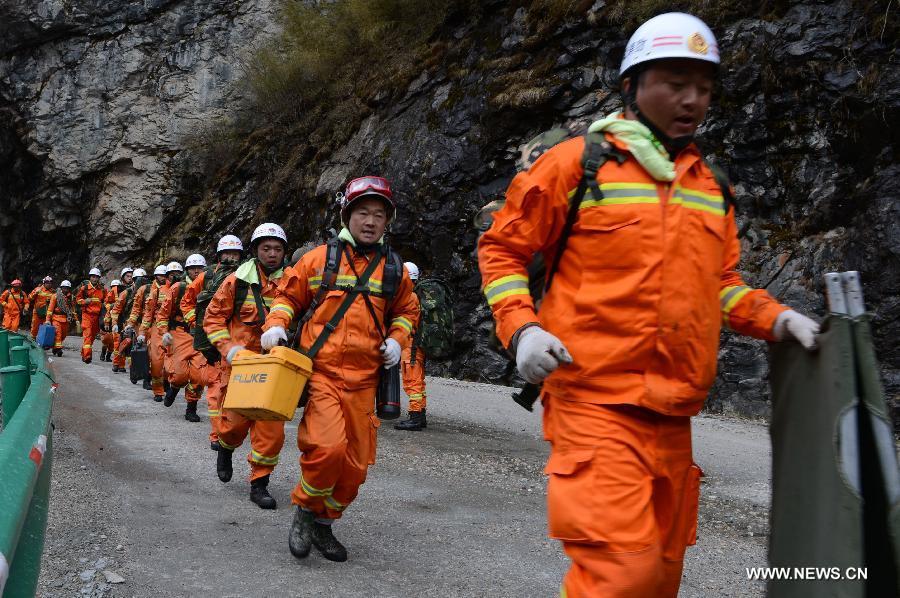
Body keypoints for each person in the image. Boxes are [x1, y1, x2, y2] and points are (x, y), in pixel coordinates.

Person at [477, 13, 821, 597]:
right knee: (622, 575)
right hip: (593, 404)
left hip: (673, 417)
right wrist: (523, 330)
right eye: (675, 82)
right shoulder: (575, 165)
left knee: (659, 579)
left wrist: (776, 318)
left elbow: (722, 284)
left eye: (705, 89)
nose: (693, 100)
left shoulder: (710, 185)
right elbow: (502, 251)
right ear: (633, 84)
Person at [261, 176, 419, 562]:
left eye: (378, 215)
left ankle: (324, 524)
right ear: (347, 215)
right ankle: (303, 510)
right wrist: (276, 324)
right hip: (323, 375)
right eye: (362, 212)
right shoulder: (319, 258)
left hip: (367, 382)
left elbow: (407, 311)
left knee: (355, 468)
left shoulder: (394, 269)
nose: (370, 221)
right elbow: (287, 297)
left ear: (387, 221)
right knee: (328, 449)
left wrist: (398, 340)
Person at [203, 224, 289, 510]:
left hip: (276, 367)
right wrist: (229, 350)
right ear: (255, 251)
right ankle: (226, 449)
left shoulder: (292, 281)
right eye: (266, 248)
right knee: (233, 426)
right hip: (241, 365)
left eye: (277, 249)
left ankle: (259, 483)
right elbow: (213, 319)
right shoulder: (236, 281)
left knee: (271, 431)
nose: (272, 254)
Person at [181, 235, 244, 449]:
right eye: (227, 254)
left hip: (240, 342)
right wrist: (197, 324)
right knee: (215, 389)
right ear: (219, 256)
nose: (231, 258)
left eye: (235, 254)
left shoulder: (247, 275)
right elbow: (187, 301)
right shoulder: (207, 277)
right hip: (212, 343)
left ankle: (232, 431)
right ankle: (217, 436)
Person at [159, 254, 207, 421]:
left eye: (199, 268)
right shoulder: (178, 287)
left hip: (201, 334)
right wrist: (164, 332)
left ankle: (191, 408)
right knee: (179, 374)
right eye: (193, 268)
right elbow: (163, 313)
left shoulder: (210, 287)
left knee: (199, 376)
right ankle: (174, 386)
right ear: (187, 270)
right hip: (179, 333)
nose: (196, 271)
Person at [394, 262, 428, 431]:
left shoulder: (410, 297)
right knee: (419, 381)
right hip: (418, 345)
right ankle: (420, 415)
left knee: (412, 381)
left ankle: (415, 417)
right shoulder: (420, 295)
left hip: (411, 345)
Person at [138, 264, 172, 401]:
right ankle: (157, 390)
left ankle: (167, 383)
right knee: (156, 360)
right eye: (161, 275)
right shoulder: (150, 290)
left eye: (166, 275)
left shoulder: (176, 289)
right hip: (155, 327)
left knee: (170, 361)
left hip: (173, 328)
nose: (163, 277)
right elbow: (146, 313)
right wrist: (141, 331)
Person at [111, 268, 146, 373]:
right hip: (127, 322)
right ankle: (117, 363)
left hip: (141, 323)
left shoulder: (147, 291)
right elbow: (116, 309)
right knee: (124, 343)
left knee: (138, 345)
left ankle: (134, 369)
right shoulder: (126, 292)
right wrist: (114, 323)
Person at [74, 268, 105, 363]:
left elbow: (105, 302)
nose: (95, 279)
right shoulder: (85, 288)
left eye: (96, 277)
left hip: (97, 317)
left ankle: (84, 353)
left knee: (91, 337)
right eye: (93, 277)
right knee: (87, 335)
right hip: (87, 315)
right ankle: (87, 357)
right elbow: (77, 300)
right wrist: (84, 301)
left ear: (99, 278)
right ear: (90, 277)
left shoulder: (102, 290)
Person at [46, 280, 76, 356]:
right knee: (58, 333)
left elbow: (72, 309)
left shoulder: (70, 298)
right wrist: (48, 320)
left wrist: (76, 319)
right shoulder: (55, 296)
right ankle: (59, 349)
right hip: (56, 318)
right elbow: (50, 309)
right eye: (64, 288)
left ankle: (55, 347)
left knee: (64, 335)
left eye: (67, 288)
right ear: (61, 288)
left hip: (66, 318)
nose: (65, 290)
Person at [100, 279, 122, 362]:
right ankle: (103, 353)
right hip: (107, 321)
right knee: (106, 339)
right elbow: (105, 310)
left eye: (117, 287)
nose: (115, 289)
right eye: (113, 287)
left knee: (114, 342)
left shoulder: (122, 294)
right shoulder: (108, 300)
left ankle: (108, 356)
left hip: (116, 320)